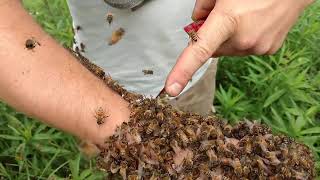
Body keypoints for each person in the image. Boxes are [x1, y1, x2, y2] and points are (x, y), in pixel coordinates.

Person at [0, 0, 314, 146]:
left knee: (198, 133)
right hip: (94, 84)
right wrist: (119, 129)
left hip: (194, 71)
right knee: (113, 157)